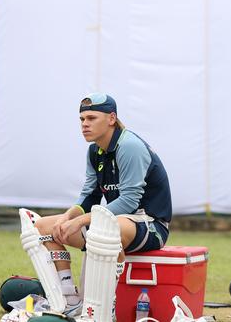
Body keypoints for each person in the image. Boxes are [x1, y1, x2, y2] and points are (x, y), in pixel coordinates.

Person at [19, 93, 172, 318]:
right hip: (110, 222)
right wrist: (67, 217)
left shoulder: (129, 146)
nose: (84, 124)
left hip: (150, 225)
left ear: (111, 118)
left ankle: (105, 306)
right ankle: (70, 299)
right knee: (44, 227)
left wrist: (81, 220)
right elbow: (89, 195)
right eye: (81, 119)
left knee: (106, 228)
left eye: (91, 118)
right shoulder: (94, 150)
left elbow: (129, 202)